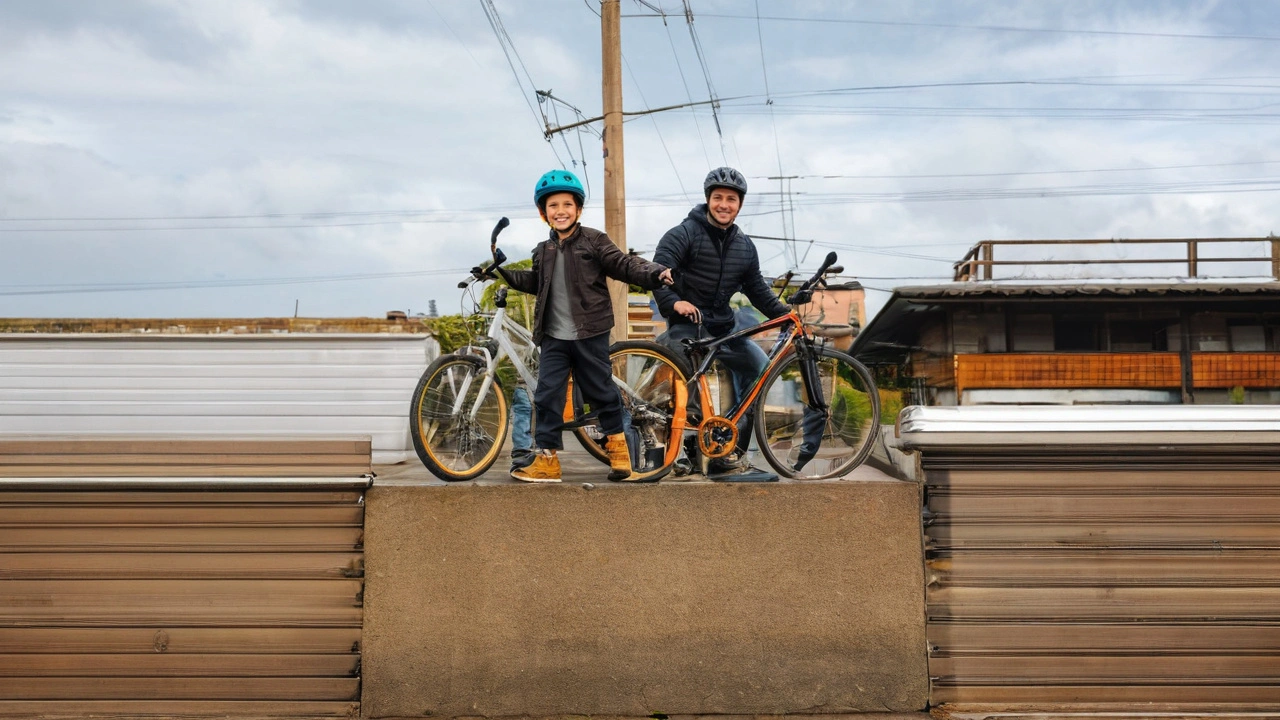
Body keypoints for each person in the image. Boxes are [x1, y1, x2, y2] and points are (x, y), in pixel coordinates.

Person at [497, 169, 673, 483]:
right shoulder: (544, 250)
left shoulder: (593, 240)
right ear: (544, 213)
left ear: (578, 209)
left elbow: (623, 263)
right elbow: (537, 282)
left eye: (567, 204)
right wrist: (503, 273)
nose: (560, 211)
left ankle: (620, 456)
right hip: (553, 335)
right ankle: (547, 461)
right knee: (547, 396)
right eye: (553, 206)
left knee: (601, 392)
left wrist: (654, 272)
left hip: (590, 331)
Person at [652, 167, 789, 475]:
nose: (724, 205)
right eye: (718, 198)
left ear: (739, 204)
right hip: (687, 326)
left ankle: (727, 451)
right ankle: (679, 449)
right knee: (685, 385)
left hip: (724, 330)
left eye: (731, 199)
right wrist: (675, 302)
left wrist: (787, 316)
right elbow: (659, 274)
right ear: (708, 200)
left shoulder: (744, 246)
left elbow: (758, 291)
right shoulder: (683, 234)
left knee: (759, 370)